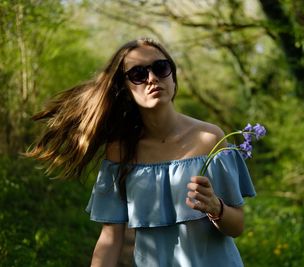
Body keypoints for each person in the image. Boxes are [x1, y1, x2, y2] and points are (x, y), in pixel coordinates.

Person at [27, 37, 256, 266]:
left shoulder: (210, 138)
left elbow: (237, 226)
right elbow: (110, 238)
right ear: (125, 89)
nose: (152, 78)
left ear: (173, 78)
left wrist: (216, 207)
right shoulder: (120, 151)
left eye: (160, 68)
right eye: (138, 74)